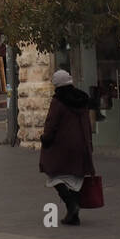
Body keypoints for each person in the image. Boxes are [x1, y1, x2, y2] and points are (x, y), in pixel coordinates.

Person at [38, 70, 94, 226]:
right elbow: (87, 124)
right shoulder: (82, 99)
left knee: (53, 175)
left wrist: (45, 139)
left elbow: (51, 124)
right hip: (81, 145)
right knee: (75, 179)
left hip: (62, 146)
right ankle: (73, 216)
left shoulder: (58, 102)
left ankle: (71, 205)